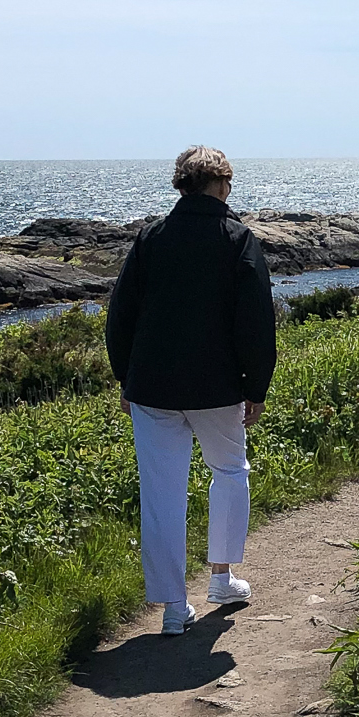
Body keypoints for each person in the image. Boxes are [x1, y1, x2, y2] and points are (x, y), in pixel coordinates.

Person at [104, 146, 276, 634]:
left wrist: (125, 377)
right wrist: (256, 386)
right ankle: (221, 578)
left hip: (153, 388)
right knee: (229, 472)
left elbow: (121, 316)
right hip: (219, 388)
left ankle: (173, 608)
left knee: (162, 495)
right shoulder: (237, 239)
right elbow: (256, 322)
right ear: (221, 183)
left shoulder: (150, 239)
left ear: (182, 184)